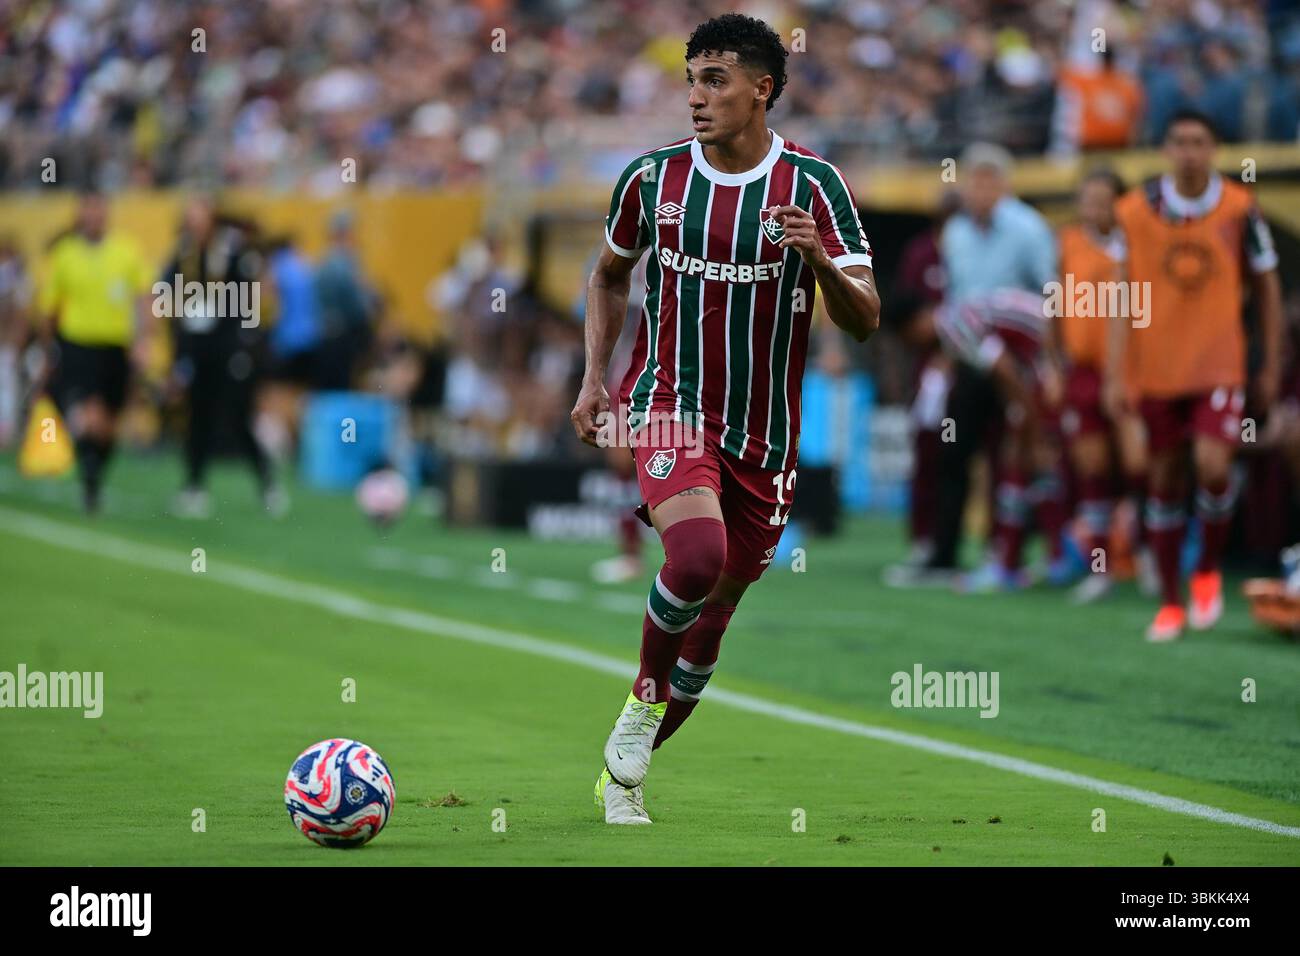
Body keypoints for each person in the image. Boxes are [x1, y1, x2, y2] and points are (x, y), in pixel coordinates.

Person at [569, 14, 879, 825]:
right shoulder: (653, 180)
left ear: (761, 89)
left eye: (716, 80)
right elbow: (607, 275)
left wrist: (816, 259)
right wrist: (594, 379)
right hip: (669, 404)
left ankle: (626, 776)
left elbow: (866, 318)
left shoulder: (815, 188)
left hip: (765, 439)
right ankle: (641, 701)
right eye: (691, 79)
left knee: (711, 630)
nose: (697, 97)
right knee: (696, 556)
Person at [1107, 108, 1283, 642]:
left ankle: (1205, 569)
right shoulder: (1134, 210)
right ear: (1166, 148)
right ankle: (1169, 602)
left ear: (1214, 150)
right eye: (1179, 141)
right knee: (1162, 478)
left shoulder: (1240, 208)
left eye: (1199, 142)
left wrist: (1270, 364)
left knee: (1211, 465)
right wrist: (1118, 373)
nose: (1189, 151)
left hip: (1219, 363)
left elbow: (1268, 289)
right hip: (1157, 366)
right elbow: (1120, 297)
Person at [1053, 169, 1148, 603]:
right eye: (1087, 198)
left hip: (1135, 370)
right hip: (1084, 372)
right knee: (1092, 468)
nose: (1094, 207)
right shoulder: (1068, 242)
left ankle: (1147, 556)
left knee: (1140, 465)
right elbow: (1052, 307)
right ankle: (1101, 566)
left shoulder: (1140, 247)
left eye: (1103, 199)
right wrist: (1053, 365)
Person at [932, 288, 1063, 589]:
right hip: (1046, 355)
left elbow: (1005, 369)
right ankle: (1048, 556)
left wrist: (1029, 418)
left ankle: (1013, 563)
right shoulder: (961, 312)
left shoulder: (955, 330)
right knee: (1029, 458)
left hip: (1050, 359)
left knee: (1025, 456)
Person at [164, 197, 280, 518]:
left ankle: (267, 481)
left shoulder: (233, 252)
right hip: (197, 348)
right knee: (197, 419)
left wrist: (245, 343)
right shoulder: (184, 253)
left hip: (229, 348)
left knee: (237, 418)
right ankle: (194, 486)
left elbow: (252, 298)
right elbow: (167, 292)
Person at [37, 191, 153, 513]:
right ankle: (89, 475)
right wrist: (49, 351)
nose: (94, 217)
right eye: (88, 210)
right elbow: (50, 309)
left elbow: (143, 298)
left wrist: (145, 340)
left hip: (115, 348)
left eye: (99, 210)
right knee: (89, 417)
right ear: (81, 214)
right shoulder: (65, 253)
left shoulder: (126, 250)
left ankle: (92, 471)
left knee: (109, 425)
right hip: (77, 345)